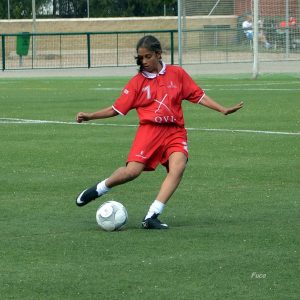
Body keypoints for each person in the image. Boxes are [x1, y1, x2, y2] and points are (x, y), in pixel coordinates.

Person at [75, 35, 244, 229]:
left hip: (174, 132)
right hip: (149, 131)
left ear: (158, 54)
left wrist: (222, 108)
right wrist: (90, 116)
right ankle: (100, 188)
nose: (144, 62)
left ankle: (152, 216)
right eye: (141, 58)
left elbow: (199, 95)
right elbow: (116, 109)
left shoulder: (177, 74)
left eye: (148, 57)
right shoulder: (137, 83)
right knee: (132, 172)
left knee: (178, 167)